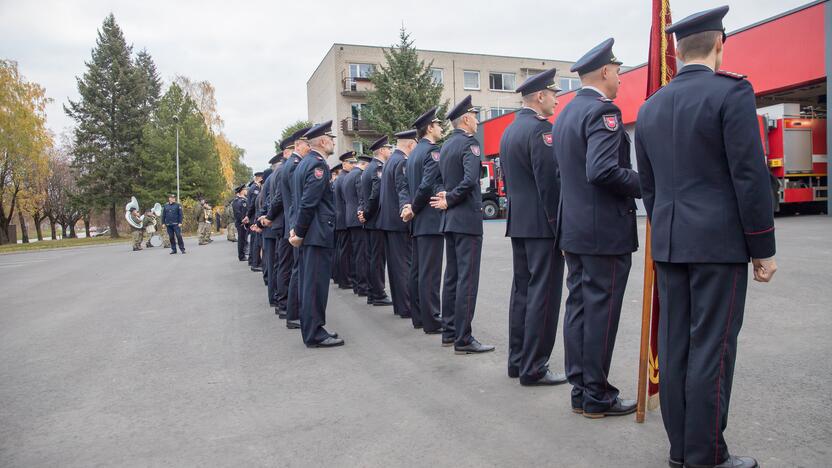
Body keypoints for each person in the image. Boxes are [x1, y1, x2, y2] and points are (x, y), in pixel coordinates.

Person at [636, 6, 777, 468]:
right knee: (713, 350)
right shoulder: (731, 92)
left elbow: (650, 186)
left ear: (677, 51)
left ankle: (683, 451)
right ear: (720, 44)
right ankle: (707, 455)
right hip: (718, 245)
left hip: (672, 245)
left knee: (677, 348)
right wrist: (763, 248)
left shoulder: (651, 106)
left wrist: (670, 231)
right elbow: (749, 176)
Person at [551, 38, 641, 418]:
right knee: (600, 312)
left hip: (575, 228)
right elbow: (602, 170)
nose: (620, 78)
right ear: (605, 71)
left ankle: (580, 390)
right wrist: (647, 183)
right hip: (604, 231)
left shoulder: (567, 113)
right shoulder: (605, 112)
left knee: (580, 309)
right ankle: (597, 395)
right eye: (618, 71)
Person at [499, 68, 568, 386]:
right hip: (543, 225)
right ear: (539, 96)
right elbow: (549, 184)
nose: (556, 99)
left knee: (523, 293)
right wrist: (560, 227)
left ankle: (517, 360)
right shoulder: (542, 131)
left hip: (520, 223)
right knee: (544, 295)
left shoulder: (511, 131)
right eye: (554, 94)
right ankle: (534, 367)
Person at [429, 95, 494, 354]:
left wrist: (444, 196)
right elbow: (469, 181)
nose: (477, 121)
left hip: (450, 220)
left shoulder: (444, 147)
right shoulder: (470, 145)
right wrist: (451, 198)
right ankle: (463, 339)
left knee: (452, 277)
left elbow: (434, 179)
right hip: (466, 219)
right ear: (466, 119)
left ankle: (449, 331)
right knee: (466, 279)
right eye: (475, 116)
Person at [291, 121, 344, 348]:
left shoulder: (305, 163)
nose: (333, 142)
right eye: (331, 139)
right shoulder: (317, 166)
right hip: (316, 234)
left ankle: (312, 328)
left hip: (311, 232)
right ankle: (314, 333)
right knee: (315, 285)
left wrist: (297, 229)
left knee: (309, 283)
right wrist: (300, 232)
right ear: (322, 141)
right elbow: (308, 203)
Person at [400, 107, 445, 337]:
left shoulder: (414, 154)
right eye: (438, 124)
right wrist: (414, 209)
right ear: (429, 128)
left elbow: (407, 186)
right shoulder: (432, 151)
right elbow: (427, 185)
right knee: (430, 272)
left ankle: (418, 317)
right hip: (428, 218)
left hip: (417, 219)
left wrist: (408, 208)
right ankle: (432, 320)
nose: (441, 128)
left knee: (418, 271)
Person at [263, 126, 311, 329]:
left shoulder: (286, 167)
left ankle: (285, 305)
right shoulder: (290, 166)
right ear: (289, 150)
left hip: (283, 222)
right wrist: (271, 216)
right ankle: (287, 307)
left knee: (285, 265)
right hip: (287, 223)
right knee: (289, 266)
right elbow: (283, 198)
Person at [379, 129, 418, 322]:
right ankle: (407, 307)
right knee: (404, 265)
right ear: (411, 145)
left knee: (395, 266)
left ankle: (399, 305)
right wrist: (406, 210)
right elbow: (402, 189)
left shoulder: (389, 161)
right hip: (398, 221)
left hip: (387, 221)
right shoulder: (402, 161)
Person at [359, 136, 393, 307]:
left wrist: (363, 212)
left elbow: (363, 195)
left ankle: (373, 293)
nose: (390, 151)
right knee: (377, 260)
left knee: (373, 258)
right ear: (381, 150)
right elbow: (375, 195)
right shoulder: (377, 168)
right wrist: (366, 213)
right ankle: (378, 293)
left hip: (370, 220)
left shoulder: (368, 168)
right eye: (388, 148)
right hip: (376, 220)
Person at [256, 157, 282, 311]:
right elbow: (270, 202)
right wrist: (266, 219)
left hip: (269, 227)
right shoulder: (275, 178)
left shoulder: (268, 180)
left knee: (272, 263)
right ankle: (276, 297)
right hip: (272, 227)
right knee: (274, 263)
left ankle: (274, 297)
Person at [345, 154, 371, 298]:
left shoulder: (349, 175)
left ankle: (356, 284)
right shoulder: (358, 175)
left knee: (356, 253)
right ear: (365, 165)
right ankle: (363, 286)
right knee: (362, 254)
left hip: (350, 218)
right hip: (358, 218)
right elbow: (362, 197)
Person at [334, 151, 358, 291]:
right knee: (346, 251)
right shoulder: (344, 178)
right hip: (343, 217)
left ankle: (342, 278)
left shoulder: (342, 177)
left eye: (354, 162)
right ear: (344, 164)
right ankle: (345, 279)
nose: (353, 165)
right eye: (351, 163)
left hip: (341, 217)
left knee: (343, 250)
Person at [246, 172, 264, 271]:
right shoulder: (255, 188)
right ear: (259, 178)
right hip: (254, 217)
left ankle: (253, 261)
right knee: (256, 242)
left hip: (253, 216)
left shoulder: (253, 188)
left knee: (254, 241)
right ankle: (255, 263)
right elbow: (253, 204)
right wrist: (248, 216)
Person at [232, 185, 248, 261]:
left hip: (245, 222)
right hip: (241, 223)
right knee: (241, 239)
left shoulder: (244, 199)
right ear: (241, 191)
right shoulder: (237, 201)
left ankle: (244, 253)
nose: (246, 190)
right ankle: (241, 256)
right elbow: (237, 213)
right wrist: (242, 221)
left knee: (244, 239)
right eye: (245, 189)